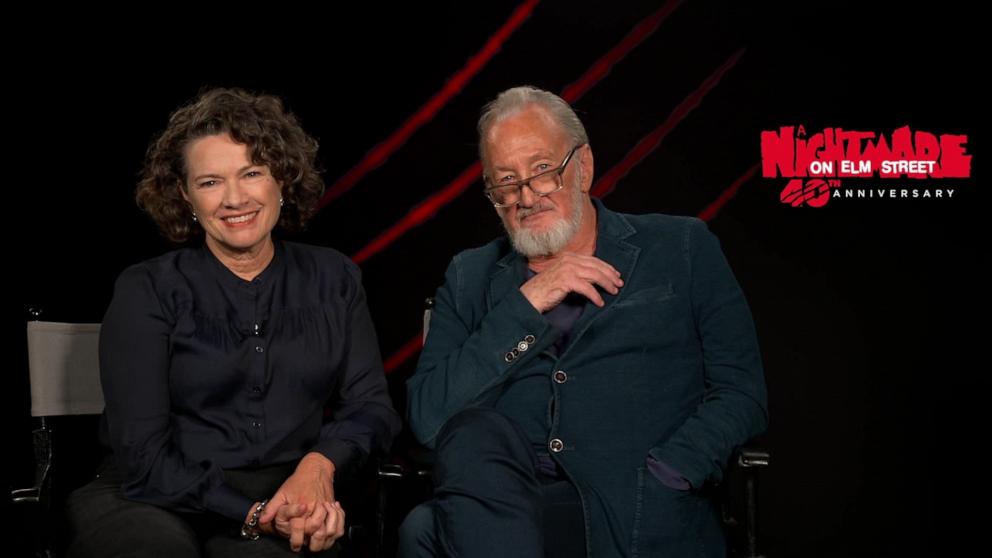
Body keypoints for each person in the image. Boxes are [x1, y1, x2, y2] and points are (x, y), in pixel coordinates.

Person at [399, 86, 768, 558]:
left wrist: (673, 472)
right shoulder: (469, 276)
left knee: (426, 529)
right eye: (506, 183)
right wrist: (525, 305)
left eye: (542, 171)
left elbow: (741, 392)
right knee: (451, 477)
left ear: (584, 166)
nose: (527, 197)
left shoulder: (682, 247)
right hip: (504, 508)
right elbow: (428, 420)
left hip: (635, 503)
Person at [66, 88, 401, 557]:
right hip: (148, 495)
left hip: (286, 492)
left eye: (252, 173)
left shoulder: (334, 277)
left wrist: (319, 468)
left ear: (281, 181)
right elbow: (142, 454)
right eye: (210, 182)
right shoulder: (148, 289)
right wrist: (250, 514)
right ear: (184, 195)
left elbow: (371, 408)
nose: (234, 198)